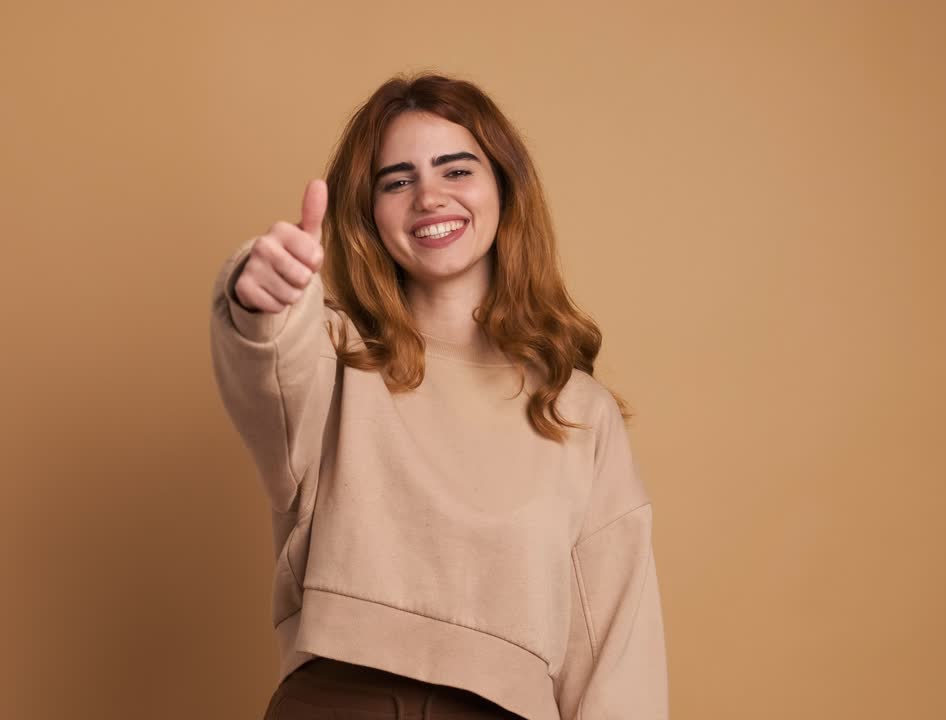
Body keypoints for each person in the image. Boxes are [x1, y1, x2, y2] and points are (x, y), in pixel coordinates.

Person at [209, 72, 669, 720]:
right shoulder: (333, 356)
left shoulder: (576, 408)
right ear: (369, 213)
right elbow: (267, 360)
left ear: (505, 189)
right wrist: (260, 292)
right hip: (341, 701)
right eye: (397, 181)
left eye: (456, 170)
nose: (429, 196)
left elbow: (618, 646)